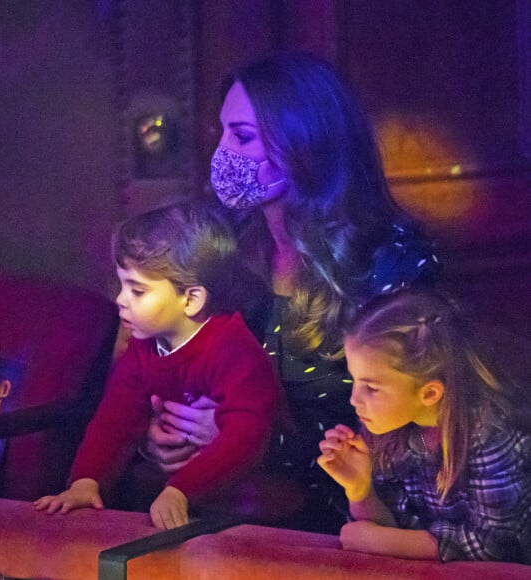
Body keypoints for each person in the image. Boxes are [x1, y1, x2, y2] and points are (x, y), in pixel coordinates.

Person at [143, 50, 440, 533]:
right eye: (222, 133)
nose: (222, 154)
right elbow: (167, 368)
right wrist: (157, 431)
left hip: (343, 524)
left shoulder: (390, 260)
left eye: (241, 137)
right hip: (217, 508)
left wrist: (250, 439)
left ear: (306, 144)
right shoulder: (222, 246)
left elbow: (403, 443)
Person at [34, 202, 279, 530]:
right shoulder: (143, 347)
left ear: (191, 299)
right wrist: (86, 481)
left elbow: (247, 436)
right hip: (177, 504)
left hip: (251, 513)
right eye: (123, 285)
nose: (121, 299)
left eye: (137, 290)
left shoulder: (234, 350)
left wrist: (181, 489)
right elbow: (114, 420)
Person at [318, 289, 531, 563]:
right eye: (355, 381)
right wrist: (360, 490)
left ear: (429, 393)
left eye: (371, 388)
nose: (354, 400)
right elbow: (389, 528)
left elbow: (494, 546)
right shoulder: (383, 426)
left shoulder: (488, 432)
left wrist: (380, 541)